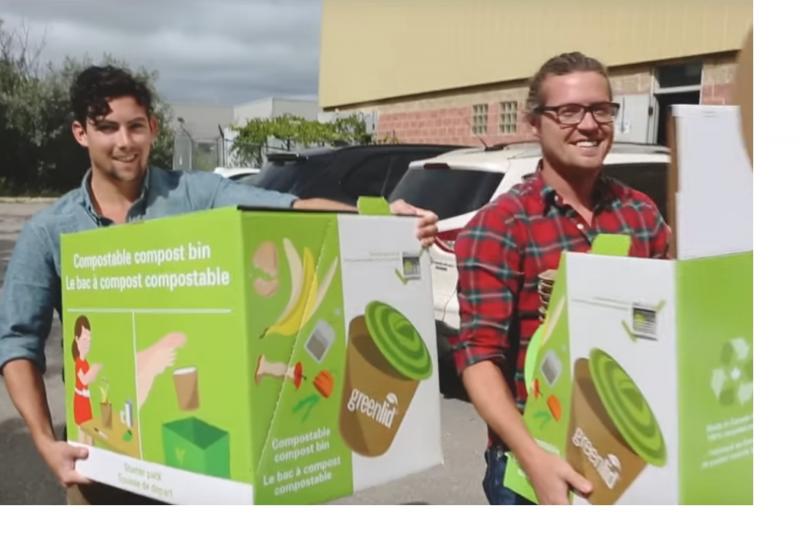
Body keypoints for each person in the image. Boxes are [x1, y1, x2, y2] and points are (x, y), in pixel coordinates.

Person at [0, 65, 438, 504]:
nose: (124, 142)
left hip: (197, 464)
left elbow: (291, 207)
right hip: (106, 466)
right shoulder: (50, 230)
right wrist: (43, 440)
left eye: (135, 126)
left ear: (153, 128)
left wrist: (379, 219)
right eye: (107, 128)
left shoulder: (196, 195)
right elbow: (17, 342)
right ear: (81, 133)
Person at [453, 52, 671, 505]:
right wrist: (534, 459)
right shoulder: (501, 226)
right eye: (568, 111)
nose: (589, 125)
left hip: (626, 446)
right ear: (535, 123)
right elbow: (478, 359)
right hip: (535, 463)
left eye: (601, 109)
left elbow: (665, 329)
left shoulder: (640, 214)